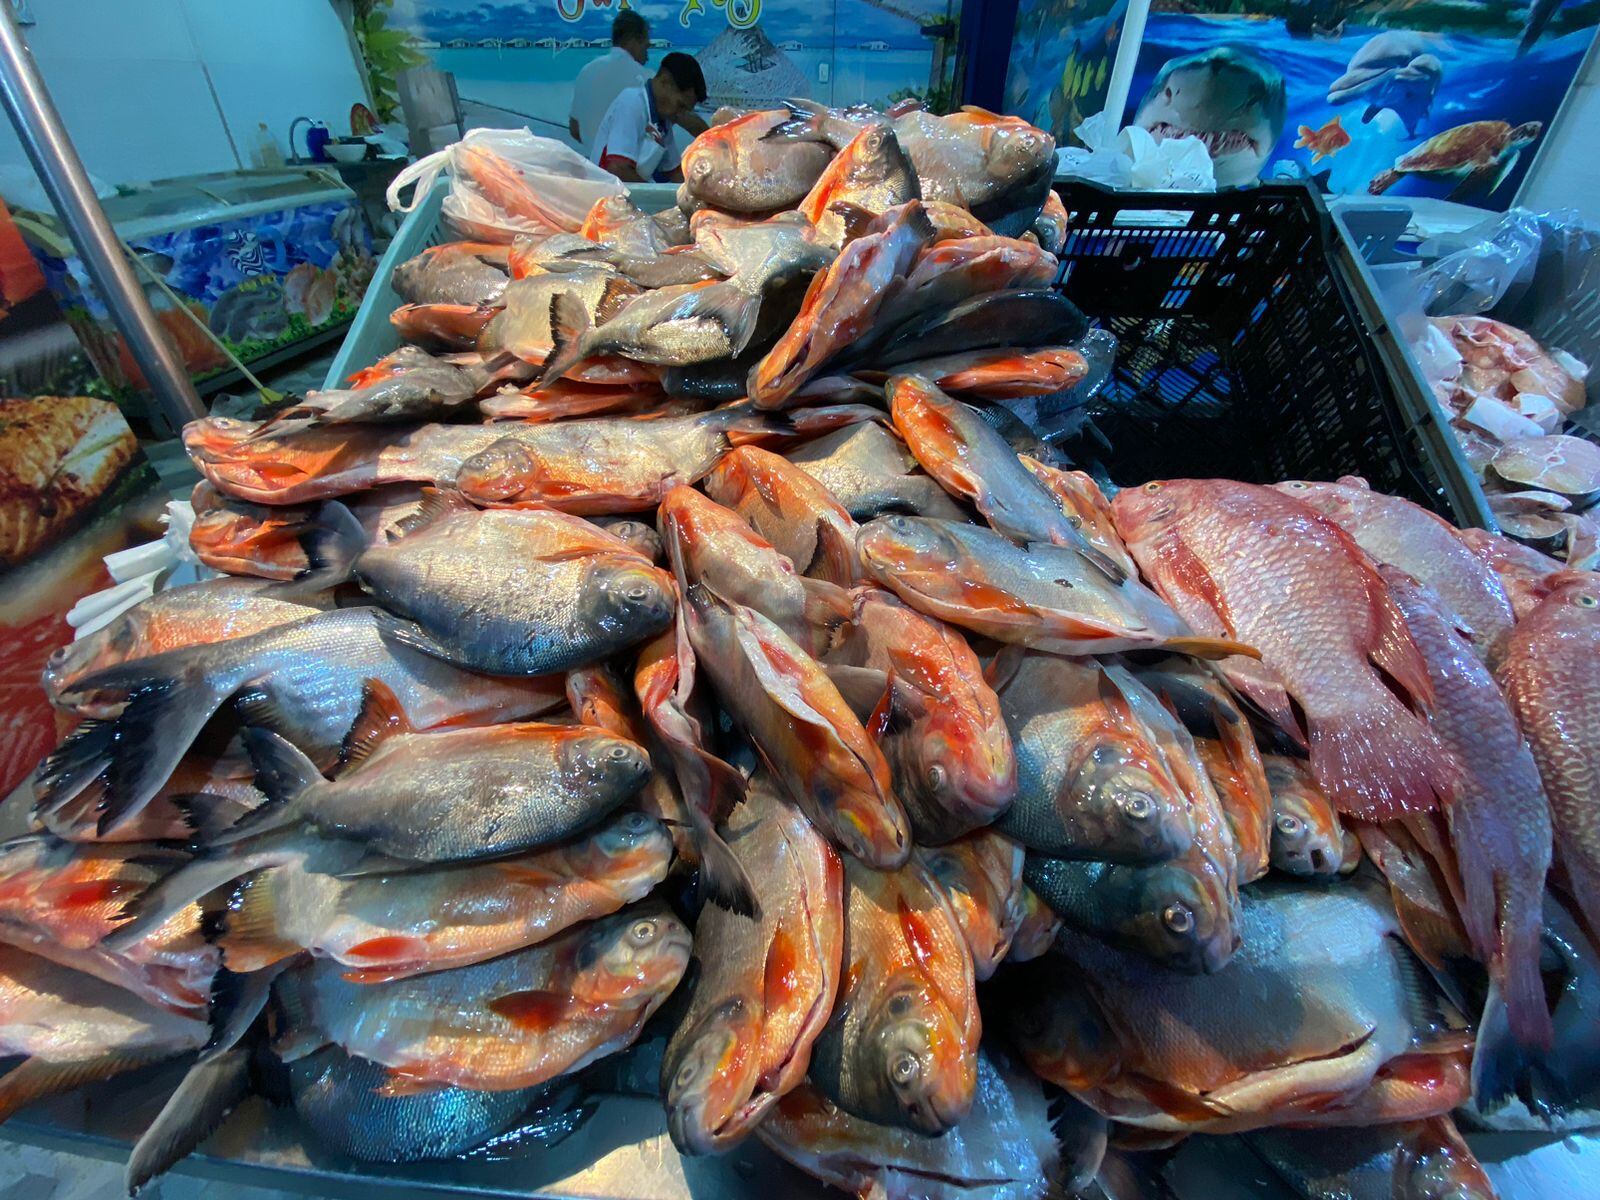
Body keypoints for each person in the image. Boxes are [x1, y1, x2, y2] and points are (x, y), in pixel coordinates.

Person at [590, 52, 708, 184]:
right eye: (680, 106)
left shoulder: (663, 120)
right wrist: (655, 197)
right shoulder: (631, 103)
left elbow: (675, 173)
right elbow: (618, 169)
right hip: (605, 194)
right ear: (664, 82)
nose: (680, 114)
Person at [568, 11, 650, 156]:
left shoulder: (587, 70)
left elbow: (575, 129)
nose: (647, 55)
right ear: (633, 40)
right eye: (646, 46)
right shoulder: (645, 79)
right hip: (630, 172)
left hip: (593, 168)